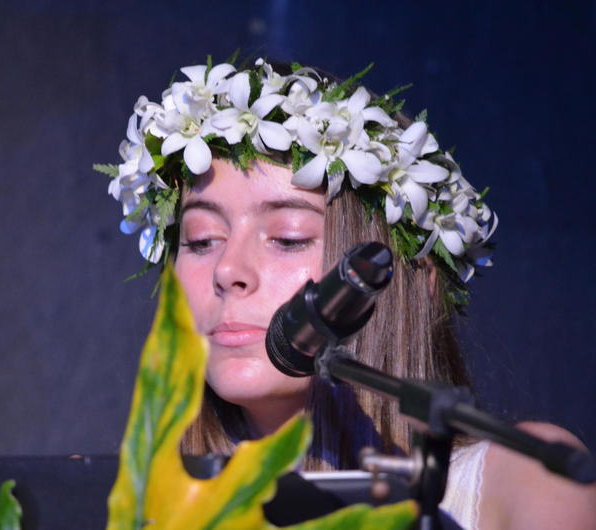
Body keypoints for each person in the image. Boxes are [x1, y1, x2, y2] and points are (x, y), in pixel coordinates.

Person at [100, 58, 596, 529]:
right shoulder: (140, 506)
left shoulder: (524, 485)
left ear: (408, 279)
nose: (228, 270)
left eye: (288, 238)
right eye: (202, 240)